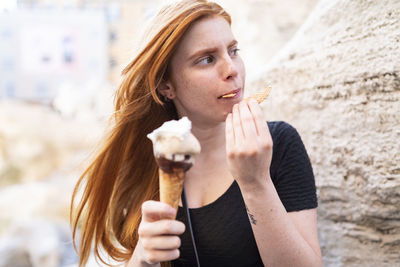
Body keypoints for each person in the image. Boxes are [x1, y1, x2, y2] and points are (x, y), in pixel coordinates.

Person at [70, 0, 322, 266]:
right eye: (207, 59)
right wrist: (142, 259)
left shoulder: (278, 144)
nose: (232, 69)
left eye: (234, 51)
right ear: (166, 86)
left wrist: (255, 183)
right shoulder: (142, 166)